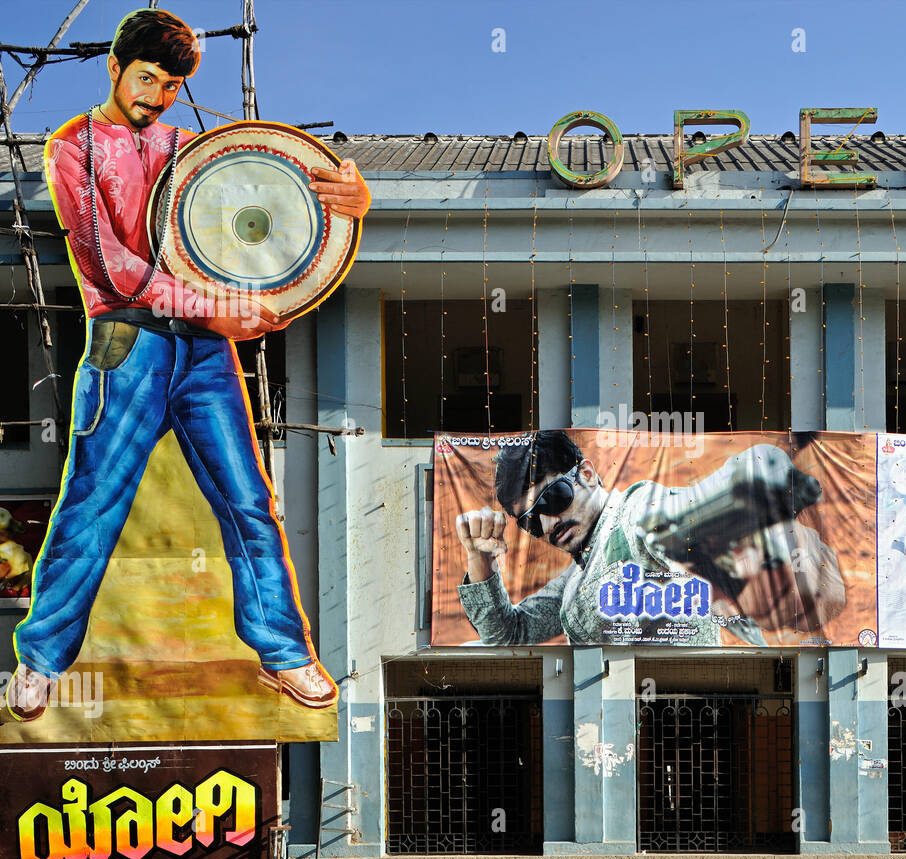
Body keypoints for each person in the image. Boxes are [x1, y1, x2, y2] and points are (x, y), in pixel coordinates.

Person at [7, 9, 371, 721]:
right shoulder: (71, 148)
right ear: (114, 68)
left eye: (172, 85)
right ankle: (40, 661)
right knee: (91, 504)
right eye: (147, 78)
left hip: (205, 350)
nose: (159, 95)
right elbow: (109, 265)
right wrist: (217, 309)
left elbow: (276, 208)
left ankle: (284, 652)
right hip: (126, 339)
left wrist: (352, 197)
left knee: (248, 500)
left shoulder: (191, 146)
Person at [455, 431, 846, 645]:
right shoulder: (574, 578)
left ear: (587, 475)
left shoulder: (635, 511)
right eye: (529, 521)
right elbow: (508, 633)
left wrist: (747, 485)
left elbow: (674, 516)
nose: (547, 524)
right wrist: (480, 561)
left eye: (552, 498)